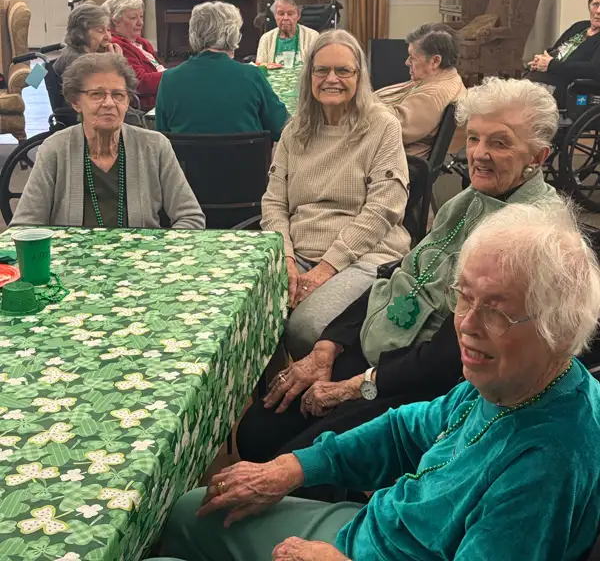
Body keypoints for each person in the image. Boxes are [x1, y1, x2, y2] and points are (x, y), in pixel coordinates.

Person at [148, 202, 600, 561]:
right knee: (191, 510)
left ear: (559, 328)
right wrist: (293, 468)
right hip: (380, 530)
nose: (466, 324)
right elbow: (405, 430)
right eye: (464, 296)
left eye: (496, 309)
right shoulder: (510, 380)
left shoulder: (548, 462)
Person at [237, 76, 562, 464]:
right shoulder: (470, 199)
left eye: (500, 142)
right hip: (387, 344)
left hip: (431, 386)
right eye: (473, 138)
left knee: (297, 459)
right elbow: (401, 272)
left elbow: (450, 357)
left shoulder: (528, 234)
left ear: (538, 157)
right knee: (257, 430)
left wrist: (356, 386)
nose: (478, 153)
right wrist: (327, 348)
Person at [262, 28, 410, 361]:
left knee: (305, 327)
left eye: (343, 70)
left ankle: (314, 398)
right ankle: (273, 394)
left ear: (360, 76)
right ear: (309, 76)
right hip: (298, 253)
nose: (332, 79)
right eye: (321, 70)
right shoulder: (295, 129)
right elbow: (273, 203)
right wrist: (285, 259)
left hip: (364, 255)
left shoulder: (382, 126)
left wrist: (324, 269)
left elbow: (383, 209)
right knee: (245, 310)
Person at [11, 53, 205, 230]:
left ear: (127, 101)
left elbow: (190, 217)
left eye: (118, 95)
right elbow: (23, 226)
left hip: (140, 261)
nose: (110, 103)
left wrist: (161, 255)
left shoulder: (154, 146)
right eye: (97, 94)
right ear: (76, 102)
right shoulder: (55, 149)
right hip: (72, 264)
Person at [155, 1, 288, 140]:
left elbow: (161, 137)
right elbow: (280, 127)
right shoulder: (252, 76)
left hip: (186, 161)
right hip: (246, 160)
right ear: (233, 34)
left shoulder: (169, 79)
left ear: (193, 33)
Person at [377, 23, 466, 158]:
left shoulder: (432, 96)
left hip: (389, 164)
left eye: (412, 57)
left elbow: (388, 130)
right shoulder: (444, 77)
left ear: (435, 61)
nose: (407, 62)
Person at [526, 0, 600, 105]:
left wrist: (550, 65)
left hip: (565, 90)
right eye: (595, 4)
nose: (598, 11)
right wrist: (541, 61)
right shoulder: (580, 26)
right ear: (589, 6)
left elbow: (593, 69)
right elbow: (555, 50)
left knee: (512, 101)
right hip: (541, 81)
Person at [104, 0, 165, 110]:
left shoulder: (142, 43)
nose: (140, 23)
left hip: (162, 97)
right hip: (149, 106)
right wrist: (176, 76)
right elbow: (140, 83)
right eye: (133, 18)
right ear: (115, 20)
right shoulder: (117, 45)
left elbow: (158, 70)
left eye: (141, 16)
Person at [53, 1, 122, 77]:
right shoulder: (78, 62)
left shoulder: (89, 56)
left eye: (108, 30)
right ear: (80, 34)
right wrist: (115, 64)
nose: (109, 37)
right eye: (100, 31)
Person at [256, 0, 319, 65]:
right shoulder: (266, 39)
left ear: (298, 16)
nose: (285, 18)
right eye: (281, 13)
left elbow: (317, 67)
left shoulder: (313, 37)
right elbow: (260, 68)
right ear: (275, 16)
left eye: (290, 14)